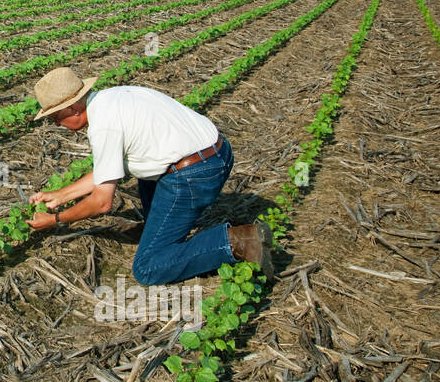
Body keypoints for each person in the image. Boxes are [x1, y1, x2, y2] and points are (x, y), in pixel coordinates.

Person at [26, 66, 273, 284]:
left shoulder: (104, 125)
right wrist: (60, 195)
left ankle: (237, 241)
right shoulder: (112, 98)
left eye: (56, 117)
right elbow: (108, 170)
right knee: (141, 169)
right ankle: (157, 226)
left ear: (73, 107)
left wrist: (56, 219)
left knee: (148, 268)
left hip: (196, 173)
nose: (57, 125)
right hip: (218, 151)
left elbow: (102, 202)